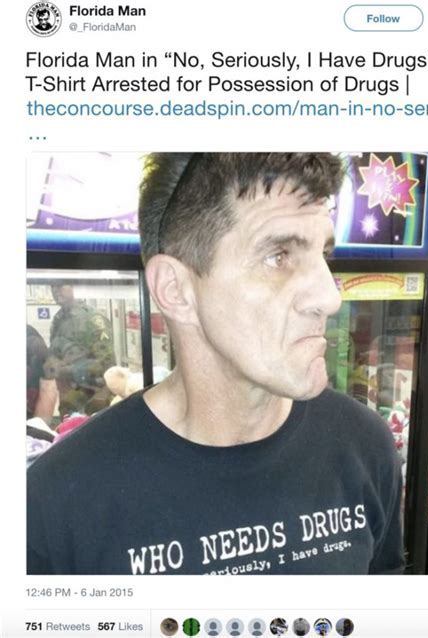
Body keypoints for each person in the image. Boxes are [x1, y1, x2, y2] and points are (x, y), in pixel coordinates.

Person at [27, 153, 404, 575]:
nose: (330, 298)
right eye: (279, 256)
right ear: (176, 290)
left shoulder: (364, 447)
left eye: (324, 255)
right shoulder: (55, 504)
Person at [45, 283, 115, 416]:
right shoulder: (59, 318)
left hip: (90, 395)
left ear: (74, 287)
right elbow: (55, 352)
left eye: (61, 285)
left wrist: (67, 370)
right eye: (53, 286)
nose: (56, 291)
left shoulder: (91, 318)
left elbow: (106, 361)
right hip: (67, 395)